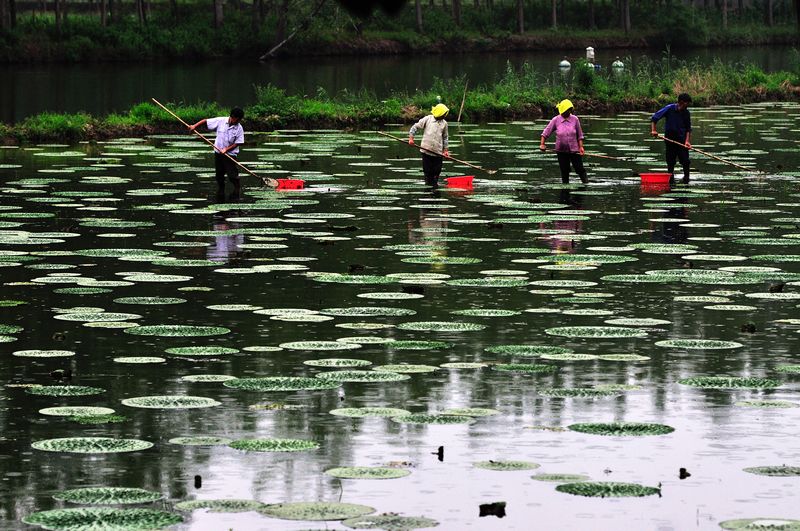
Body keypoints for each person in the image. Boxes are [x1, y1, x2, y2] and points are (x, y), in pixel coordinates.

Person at [189, 108, 245, 191]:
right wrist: (194, 126)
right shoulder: (221, 121)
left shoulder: (239, 128)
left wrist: (227, 149)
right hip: (218, 153)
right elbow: (205, 121)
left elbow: (239, 142)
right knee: (219, 175)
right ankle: (221, 191)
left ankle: (237, 190)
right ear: (232, 117)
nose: (237, 122)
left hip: (230, 155)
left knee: (232, 176)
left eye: (239, 120)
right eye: (236, 120)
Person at [539, 99, 588, 185]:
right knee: (564, 170)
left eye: (569, 110)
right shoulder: (556, 120)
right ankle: (565, 188)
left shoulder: (575, 119)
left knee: (579, 169)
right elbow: (545, 133)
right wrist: (542, 144)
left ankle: (586, 184)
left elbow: (580, 136)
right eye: (565, 110)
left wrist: (581, 147)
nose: (567, 112)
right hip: (561, 151)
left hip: (574, 151)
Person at [650, 93, 692, 184]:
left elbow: (688, 129)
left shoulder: (686, 113)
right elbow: (654, 118)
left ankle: (686, 179)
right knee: (670, 162)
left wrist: (687, 141)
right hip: (669, 140)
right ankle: (670, 180)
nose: (687, 105)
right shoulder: (669, 108)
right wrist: (654, 130)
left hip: (682, 141)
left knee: (685, 161)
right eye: (686, 103)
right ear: (681, 102)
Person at [408, 103, 450, 189]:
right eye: (443, 114)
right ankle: (428, 189)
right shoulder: (428, 119)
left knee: (436, 172)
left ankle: (435, 189)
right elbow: (415, 127)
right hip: (426, 151)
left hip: (438, 153)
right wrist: (411, 139)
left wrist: (445, 151)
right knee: (427, 172)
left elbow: (445, 138)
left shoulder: (444, 124)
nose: (444, 116)